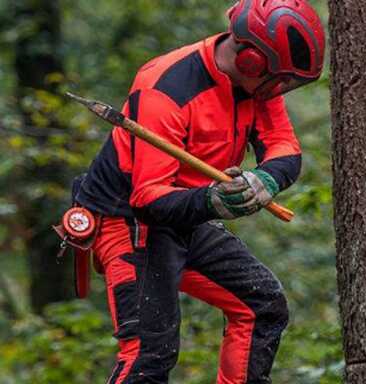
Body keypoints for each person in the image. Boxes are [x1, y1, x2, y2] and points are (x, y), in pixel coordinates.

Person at [73, 1, 325, 383]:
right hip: (129, 217)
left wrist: (266, 180)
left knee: (262, 306)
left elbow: (284, 148)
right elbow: (150, 198)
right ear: (252, 60)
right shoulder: (166, 87)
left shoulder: (259, 88)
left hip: (186, 209)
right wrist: (213, 200)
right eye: (281, 81)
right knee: (150, 351)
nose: (281, 91)